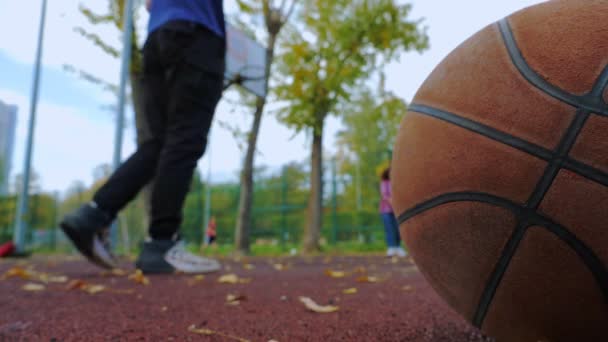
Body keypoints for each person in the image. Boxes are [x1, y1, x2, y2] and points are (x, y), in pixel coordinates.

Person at [60, 0, 226, 274]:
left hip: (157, 36)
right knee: (184, 139)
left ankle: (94, 213)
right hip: (197, 33)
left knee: (160, 142)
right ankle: (162, 242)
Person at [379, 167, 407, 257]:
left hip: (397, 210)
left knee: (397, 229)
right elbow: (385, 195)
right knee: (389, 229)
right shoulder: (384, 183)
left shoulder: (397, 183)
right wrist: (393, 202)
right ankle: (391, 247)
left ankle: (398, 247)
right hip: (386, 210)